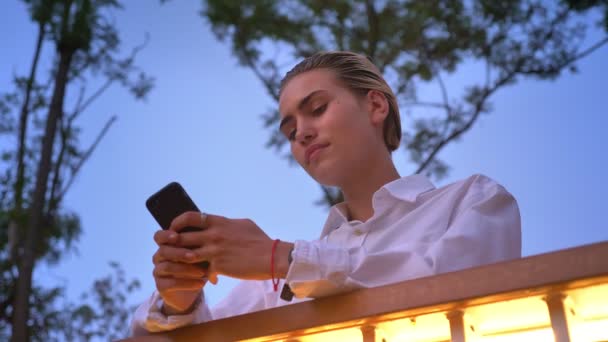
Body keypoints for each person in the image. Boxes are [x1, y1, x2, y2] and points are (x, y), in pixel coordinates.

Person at [130, 51, 521, 335]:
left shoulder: (473, 201)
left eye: (316, 108)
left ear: (375, 105)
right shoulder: (277, 281)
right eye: (289, 130)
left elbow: (456, 286)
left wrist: (283, 257)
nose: (301, 132)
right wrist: (178, 302)